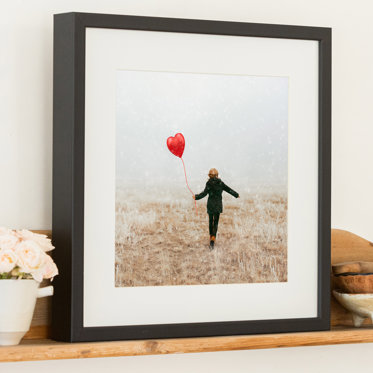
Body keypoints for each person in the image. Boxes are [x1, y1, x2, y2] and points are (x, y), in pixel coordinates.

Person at [193, 168, 239, 250]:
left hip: (210, 205)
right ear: (217, 175)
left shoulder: (209, 183)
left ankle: (211, 237)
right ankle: (213, 237)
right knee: (216, 222)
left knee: (211, 221)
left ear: (209, 176)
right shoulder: (220, 183)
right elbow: (228, 189)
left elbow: (204, 193)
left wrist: (196, 197)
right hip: (218, 205)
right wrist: (236, 194)